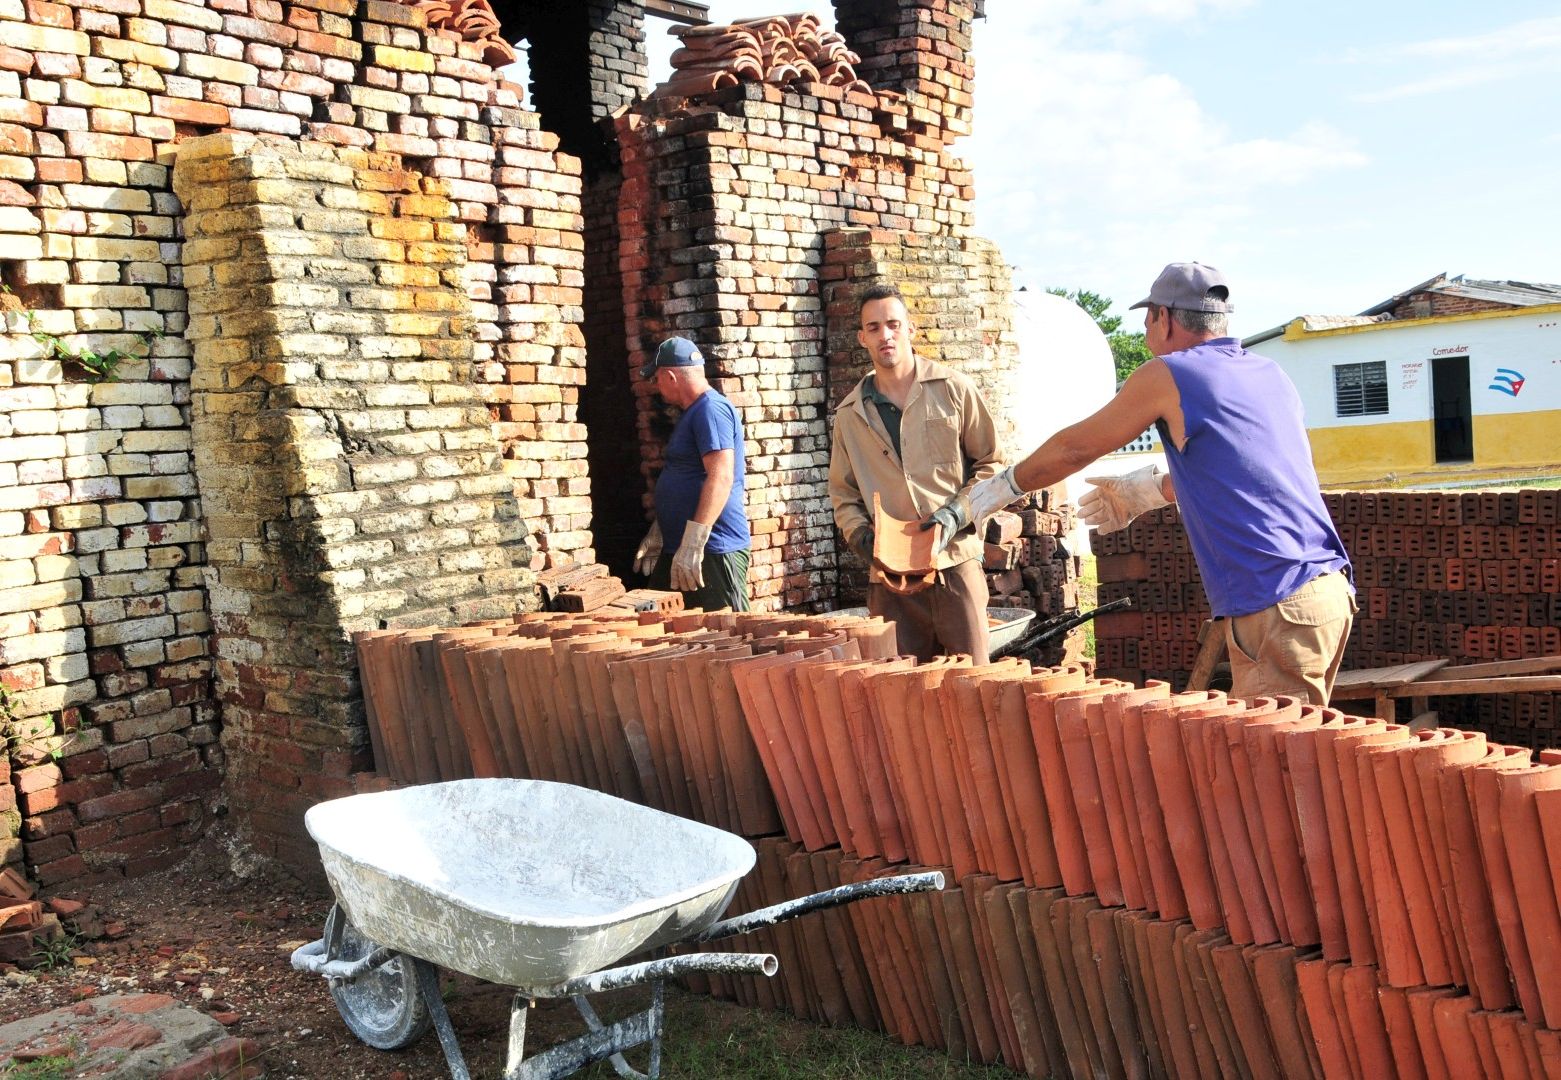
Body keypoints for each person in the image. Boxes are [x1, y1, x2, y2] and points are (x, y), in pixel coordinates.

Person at [925, 262, 1354, 704]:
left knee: (1275, 764)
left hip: (1278, 603)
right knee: (1289, 755)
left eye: (1147, 316)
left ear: (1163, 318)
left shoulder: (1172, 373)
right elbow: (1245, 472)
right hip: (1324, 594)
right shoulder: (1268, 374)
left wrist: (984, 498)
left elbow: (1075, 448)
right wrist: (1147, 491)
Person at [829, 281, 1005, 663]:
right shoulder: (849, 414)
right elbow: (843, 494)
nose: (885, 335)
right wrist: (864, 541)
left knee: (974, 687)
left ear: (910, 329)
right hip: (890, 581)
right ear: (862, 338)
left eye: (893, 324)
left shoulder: (953, 389)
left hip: (954, 564)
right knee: (902, 697)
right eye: (873, 328)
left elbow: (991, 463)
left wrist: (955, 515)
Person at [632, 336, 752, 612]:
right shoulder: (693, 413)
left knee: (731, 636)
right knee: (659, 623)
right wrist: (660, 529)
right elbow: (687, 475)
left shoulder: (711, 409)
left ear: (671, 376)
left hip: (712, 550)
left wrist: (693, 544)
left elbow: (721, 476)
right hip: (681, 549)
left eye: (657, 379)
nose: (656, 387)